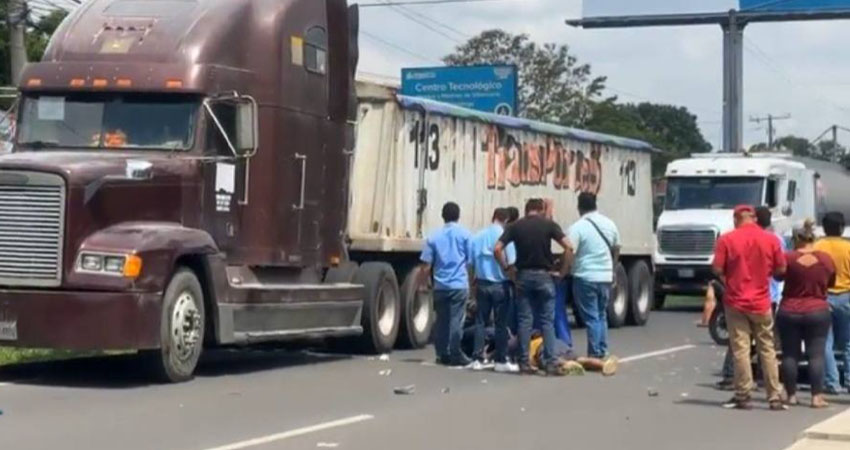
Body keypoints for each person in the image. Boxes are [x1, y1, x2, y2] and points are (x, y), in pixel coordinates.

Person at [713, 205, 787, 410]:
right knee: (767, 348)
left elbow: (717, 268)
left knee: (741, 349)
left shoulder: (726, 239)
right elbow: (781, 269)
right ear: (753, 218)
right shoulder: (770, 239)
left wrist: (728, 278)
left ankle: (743, 395)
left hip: (736, 301)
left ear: (737, 218)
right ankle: (774, 396)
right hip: (762, 301)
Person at [495, 198, 572, 375]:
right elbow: (569, 247)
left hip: (523, 276)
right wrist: (562, 271)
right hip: (544, 276)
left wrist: (507, 268)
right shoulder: (549, 225)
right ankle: (551, 362)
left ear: (526, 209)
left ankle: (524, 363)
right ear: (541, 209)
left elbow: (497, 249)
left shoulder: (515, 226)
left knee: (524, 321)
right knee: (547, 321)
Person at [777, 221, 835, 408]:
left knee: (790, 354)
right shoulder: (825, 259)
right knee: (816, 355)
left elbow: (777, 276)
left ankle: (791, 395)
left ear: (796, 239)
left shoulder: (789, 258)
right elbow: (831, 281)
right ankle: (816, 396)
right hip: (817, 309)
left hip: (790, 309)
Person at [568, 192, 620, 361]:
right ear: (595, 204)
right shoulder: (609, 224)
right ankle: (603, 349)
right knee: (601, 314)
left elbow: (570, 251)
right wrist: (612, 268)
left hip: (585, 276)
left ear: (579, 207)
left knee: (591, 317)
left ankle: (595, 352)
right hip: (605, 276)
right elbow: (616, 247)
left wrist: (564, 269)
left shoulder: (577, 227)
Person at [419, 202, 472, 367]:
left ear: (443, 216)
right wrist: (470, 282)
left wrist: (423, 283)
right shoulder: (465, 235)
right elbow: (470, 262)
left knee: (441, 320)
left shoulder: (433, 237)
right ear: (458, 215)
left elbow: (426, 265)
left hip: (440, 285)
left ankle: (442, 354)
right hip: (458, 284)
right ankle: (455, 353)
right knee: (456, 320)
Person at [469, 208, 518, 373]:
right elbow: (511, 263)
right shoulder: (506, 237)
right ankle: (501, 359)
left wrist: (472, 284)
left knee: (480, 322)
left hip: (482, 283)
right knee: (501, 323)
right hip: (500, 284)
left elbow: (471, 263)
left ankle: (477, 358)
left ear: (493, 217)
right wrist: (514, 282)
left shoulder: (478, 236)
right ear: (506, 220)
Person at [814, 211, 850, 394]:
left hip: (823, 296)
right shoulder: (848, 247)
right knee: (848, 342)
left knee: (825, 342)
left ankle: (832, 382)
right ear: (842, 228)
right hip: (846, 296)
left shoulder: (817, 247)